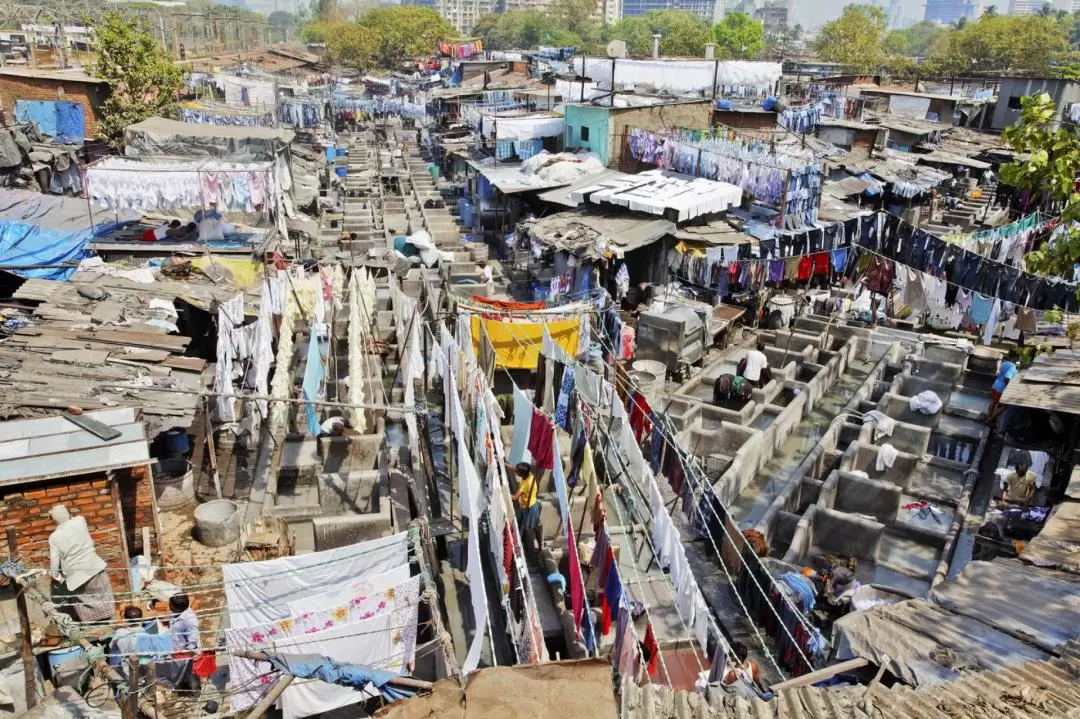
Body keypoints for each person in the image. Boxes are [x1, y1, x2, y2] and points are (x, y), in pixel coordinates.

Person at [48, 505, 113, 623]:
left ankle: (91, 624)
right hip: (94, 566)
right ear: (67, 514)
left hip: (75, 575)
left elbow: (54, 561)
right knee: (102, 595)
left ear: (54, 520)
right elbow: (74, 516)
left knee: (84, 601)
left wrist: (56, 576)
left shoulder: (54, 537)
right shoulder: (80, 521)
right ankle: (107, 619)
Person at [509, 462, 542, 557]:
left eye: (518, 472)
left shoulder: (525, 484)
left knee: (532, 527)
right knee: (524, 524)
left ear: (522, 474)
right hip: (529, 504)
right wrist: (504, 463)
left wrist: (502, 492)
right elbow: (515, 469)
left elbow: (515, 498)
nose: (516, 473)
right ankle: (522, 541)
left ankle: (538, 546)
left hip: (529, 508)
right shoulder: (530, 474)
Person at [988, 349, 1019, 425]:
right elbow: (1007, 378)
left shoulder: (1004, 363)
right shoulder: (1013, 367)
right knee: (1004, 406)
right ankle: (990, 420)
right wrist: (1009, 388)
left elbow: (1000, 374)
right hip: (1002, 388)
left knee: (994, 401)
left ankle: (989, 417)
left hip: (996, 385)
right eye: (1018, 357)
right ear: (1015, 357)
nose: (1018, 358)